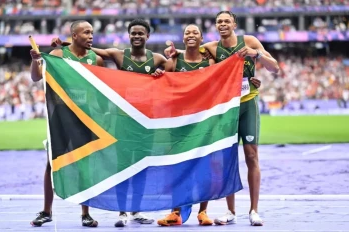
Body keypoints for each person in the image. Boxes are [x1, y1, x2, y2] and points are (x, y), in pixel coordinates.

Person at [165, 11, 279, 226]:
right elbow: (188, 49)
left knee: (252, 156)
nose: (223, 24)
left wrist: (256, 54)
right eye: (219, 22)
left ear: (234, 24)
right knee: (227, 158)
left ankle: (254, 210)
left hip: (248, 104)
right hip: (226, 107)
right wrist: (171, 52)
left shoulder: (250, 41)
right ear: (216, 26)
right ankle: (230, 211)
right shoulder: (211, 48)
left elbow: (275, 68)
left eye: (227, 21)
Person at [51, 18, 168, 228]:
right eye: (133, 33)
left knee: (142, 167)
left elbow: (177, 74)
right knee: (123, 166)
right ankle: (122, 212)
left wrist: (163, 72)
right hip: (122, 119)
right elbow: (91, 49)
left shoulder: (157, 59)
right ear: (129, 35)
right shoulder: (117, 55)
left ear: (148, 36)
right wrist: (66, 45)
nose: (137, 36)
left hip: (146, 121)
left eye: (141, 33)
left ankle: (136, 210)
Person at [29, 20, 104, 227]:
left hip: (86, 119)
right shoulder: (58, 56)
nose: (90, 36)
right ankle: (46, 211)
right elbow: (36, 77)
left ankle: (85, 214)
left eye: (92, 32)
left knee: (86, 166)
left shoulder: (96, 60)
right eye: (86, 32)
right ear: (74, 35)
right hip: (61, 117)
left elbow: (101, 92)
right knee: (52, 164)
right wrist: (35, 60)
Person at [156, 24, 215, 226]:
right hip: (178, 121)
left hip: (202, 121)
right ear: (183, 37)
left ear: (201, 38)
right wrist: (158, 75)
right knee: (177, 166)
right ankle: (175, 212)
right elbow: (163, 85)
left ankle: (203, 212)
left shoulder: (210, 62)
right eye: (187, 32)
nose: (191, 35)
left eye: (195, 32)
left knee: (204, 166)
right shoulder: (174, 60)